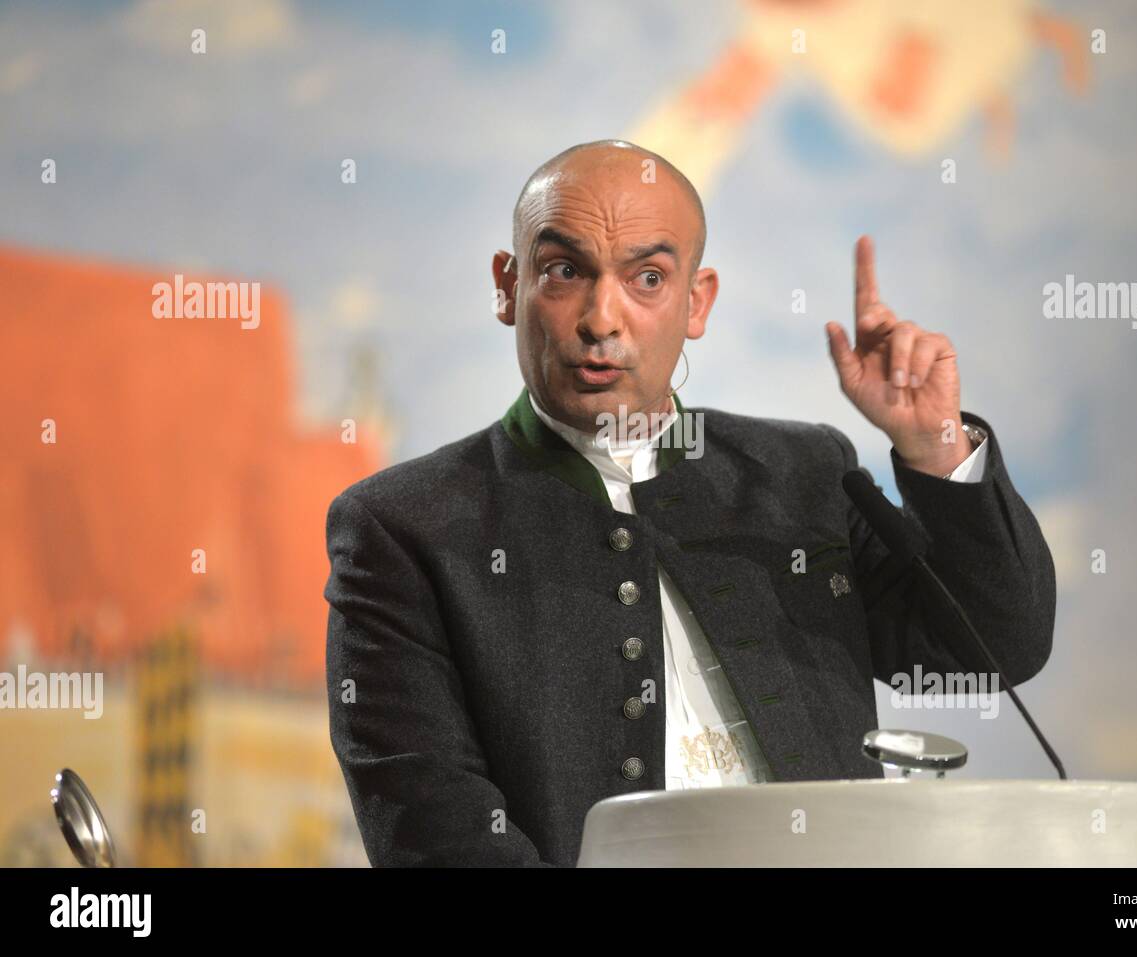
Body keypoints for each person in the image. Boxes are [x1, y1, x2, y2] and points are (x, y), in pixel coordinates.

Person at [323, 139, 1055, 867]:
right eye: (564, 270)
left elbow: (992, 650)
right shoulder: (403, 529)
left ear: (696, 301)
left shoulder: (801, 472)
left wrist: (936, 446)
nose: (601, 318)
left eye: (647, 277)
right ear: (505, 286)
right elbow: (439, 834)